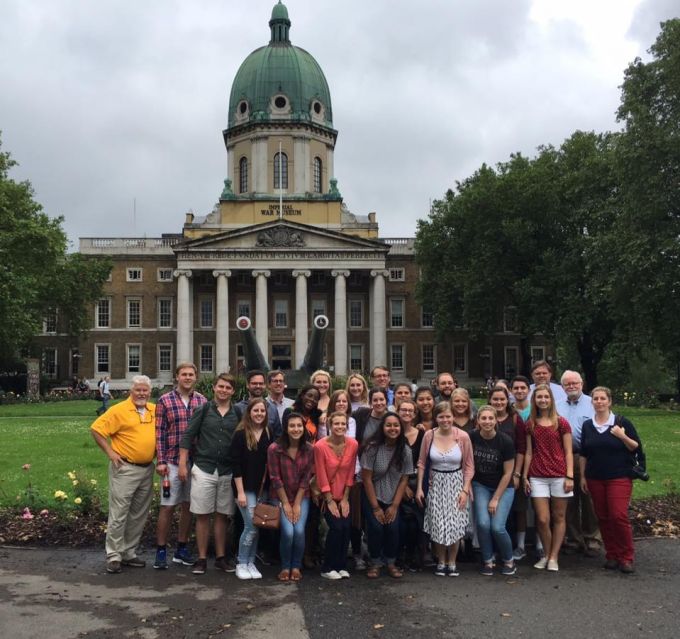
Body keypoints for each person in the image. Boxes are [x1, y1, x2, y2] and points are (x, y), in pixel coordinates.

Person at [90, 375, 155, 574]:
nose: (142, 393)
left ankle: (128, 552)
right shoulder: (119, 410)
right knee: (119, 513)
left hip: (147, 468)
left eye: (145, 390)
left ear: (150, 392)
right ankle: (114, 555)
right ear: (131, 391)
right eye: (138, 390)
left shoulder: (154, 410)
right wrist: (110, 452)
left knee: (138, 513)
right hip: (125, 468)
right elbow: (96, 429)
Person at [179, 373, 239, 575]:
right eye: (220, 386)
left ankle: (221, 558)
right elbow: (188, 436)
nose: (224, 390)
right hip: (204, 468)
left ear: (233, 391)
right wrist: (182, 464)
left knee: (222, 515)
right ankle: (202, 558)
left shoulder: (237, 413)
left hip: (227, 470)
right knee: (203, 514)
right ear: (214, 387)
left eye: (228, 388)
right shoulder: (203, 409)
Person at [579, 387, 642, 574]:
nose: (599, 402)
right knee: (603, 517)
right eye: (595, 399)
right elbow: (584, 453)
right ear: (592, 402)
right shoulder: (588, 425)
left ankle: (626, 556)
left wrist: (622, 436)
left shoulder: (622, 422)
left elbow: (635, 447)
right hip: (595, 477)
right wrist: (582, 476)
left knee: (618, 516)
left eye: (602, 398)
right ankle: (612, 554)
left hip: (618, 477)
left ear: (609, 401)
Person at [154, 362, 207, 570]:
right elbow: (159, 433)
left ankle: (181, 548)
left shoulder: (202, 401)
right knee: (167, 507)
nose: (187, 377)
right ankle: (160, 550)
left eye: (191, 374)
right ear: (176, 377)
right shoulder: (164, 400)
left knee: (188, 507)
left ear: (196, 377)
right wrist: (160, 461)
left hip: (195, 463)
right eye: (183, 374)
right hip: (172, 462)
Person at [416, 401, 474, 577]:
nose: (445, 420)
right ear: (436, 418)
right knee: (438, 523)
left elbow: (470, 466)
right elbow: (422, 463)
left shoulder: (462, 436)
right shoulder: (429, 436)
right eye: (441, 416)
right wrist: (419, 487)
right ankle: (441, 560)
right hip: (436, 483)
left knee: (455, 524)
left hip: (456, 483)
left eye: (448, 416)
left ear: (453, 417)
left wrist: (465, 490)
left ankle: (452, 561)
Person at [523, 383, 573, 572]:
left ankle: (553, 556)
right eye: (539, 397)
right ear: (534, 400)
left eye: (546, 397)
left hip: (559, 474)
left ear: (551, 399)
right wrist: (525, 476)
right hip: (537, 475)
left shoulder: (561, 423)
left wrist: (570, 475)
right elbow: (528, 452)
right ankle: (547, 552)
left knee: (558, 516)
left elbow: (568, 451)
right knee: (542, 519)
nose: (542, 400)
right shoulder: (531, 423)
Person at [360, 411, 413, 578]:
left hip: (392, 496)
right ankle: (375, 561)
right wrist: (376, 507)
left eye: (396, 425)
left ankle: (390, 562)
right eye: (388, 425)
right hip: (372, 494)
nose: (393, 428)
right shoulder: (372, 448)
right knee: (376, 528)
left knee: (393, 528)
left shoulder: (405, 450)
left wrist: (395, 506)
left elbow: (404, 479)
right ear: (382, 427)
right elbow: (366, 479)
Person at [556, 370, 600, 557]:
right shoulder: (557, 406)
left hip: (587, 456)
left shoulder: (593, 403)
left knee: (588, 498)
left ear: (581, 384)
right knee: (569, 500)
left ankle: (592, 538)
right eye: (567, 384)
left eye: (575, 383)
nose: (571, 386)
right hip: (564, 457)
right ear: (563, 386)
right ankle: (574, 539)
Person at [267, 412, 315, 582]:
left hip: (302, 496)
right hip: (280, 497)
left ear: (303, 428)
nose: (296, 429)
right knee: (288, 532)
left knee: (299, 531)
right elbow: (275, 478)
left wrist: (297, 504)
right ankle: (285, 566)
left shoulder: (309, 449)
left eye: (299, 426)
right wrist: (286, 504)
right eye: (292, 426)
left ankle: (296, 566)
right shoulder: (275, 449)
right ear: (286, 428)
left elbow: (307, 478)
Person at [230, 398, 274, 580]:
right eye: (256, 410)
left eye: (262, 411)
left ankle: (251, 562)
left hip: (261, 488)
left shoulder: (268, 433)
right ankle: (241, 562)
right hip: (244, 488)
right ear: (249, 412)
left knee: (256, 525)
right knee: (250, 526)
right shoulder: (241, 434)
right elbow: (236, 464)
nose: (259, 414)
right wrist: (240, 492)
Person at [470, 406, 517, 576]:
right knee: (483, 524)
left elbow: (508, 473)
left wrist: (496, 498)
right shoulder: (472, 437)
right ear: (478, 421)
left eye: (491, 418)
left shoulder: (505, 441)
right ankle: (488, 560)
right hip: (480, 485)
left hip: (503, 487)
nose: (487, 422)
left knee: (497, 527)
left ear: (496, 420)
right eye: (484, 418)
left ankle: (509, 559)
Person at [313, 411, 359, 580]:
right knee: (336, 527)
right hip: (327, 495)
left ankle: (341, 566)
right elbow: (321, 473)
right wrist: (329, 499)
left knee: (346, 527)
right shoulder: (320, 446)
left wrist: (345, 498)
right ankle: (327, 567)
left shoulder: (353, 444)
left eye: (342, 424)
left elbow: (350, 472)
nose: (340, 427)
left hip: (344, 493)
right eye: (336, 424)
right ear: (329, 426)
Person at [396, 399, 426, 570]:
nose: (406, 413)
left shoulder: (423, 435)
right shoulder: (393, 432)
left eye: (410, 411)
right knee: (401, 523)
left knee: (416, 523)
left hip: (418, 483)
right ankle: (399, 555)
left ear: (415, 414)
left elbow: (424, 463)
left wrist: (418, 487)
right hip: (398, 483)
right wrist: (404, 485)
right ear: (398, 411)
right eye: (403, 410)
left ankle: (415, 556)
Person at [235, 369, 282, 438]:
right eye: (254, 383)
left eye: (261, 383)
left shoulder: (272, 408)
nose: (258, 386)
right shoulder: (238, 408)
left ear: (265, 385)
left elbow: (278, 436)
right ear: (247, 385)